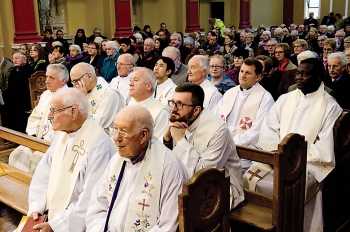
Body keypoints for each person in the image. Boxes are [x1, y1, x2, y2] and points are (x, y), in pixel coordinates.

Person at [245, 58, 342, 231]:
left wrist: (293, 160)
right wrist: (278, 155)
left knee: (287, 191)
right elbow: (270, 129)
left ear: (319, 76)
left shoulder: (330, 106)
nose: (298, 77)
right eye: (298, 73)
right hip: (276, 158)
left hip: (308, 165)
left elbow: (323, 146)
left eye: (305, 73)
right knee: (248, 178)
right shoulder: (285, 99)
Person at [86, 105, 187, 231]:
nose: (116, 138)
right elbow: (98, 204)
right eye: (115, 129)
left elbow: (168, 226)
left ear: (143, 135)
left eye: (123, 131)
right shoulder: (116, 160)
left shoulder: (169, 167)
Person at [28, 88, 117, 232]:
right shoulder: (62, 136)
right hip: (50, 216)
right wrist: (36, 206)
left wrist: (56, 226)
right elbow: (43, 173)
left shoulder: (99, 145)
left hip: (75, 225)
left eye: (55, 110)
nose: (50, 116)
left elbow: (91, 198)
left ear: (73, 112)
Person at [163, 82, 244, 209]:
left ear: (196, 110)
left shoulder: (218, 131)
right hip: (185, 182)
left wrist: (180, 140)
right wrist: (167, 139)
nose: (173, 109)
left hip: (219, 187)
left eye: (180, 104)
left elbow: (204, 175)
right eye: (173, 102)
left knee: (173, 206)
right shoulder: (180, 119)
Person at [215, 58, 274, 171]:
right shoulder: (230, 93)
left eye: (248, 73)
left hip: (244, 153)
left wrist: (231, 143)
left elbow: (257, 131)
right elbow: (216, 118)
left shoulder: (265, 98)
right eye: (242, 71)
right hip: (221, 146)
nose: (242, 76)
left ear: (258, 77)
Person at [8, 64, 69, 174]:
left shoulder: (68, 98)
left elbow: (65, 128)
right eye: (46, 77)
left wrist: (42, 141)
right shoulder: (46, 94)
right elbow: (35, 116)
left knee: (35, 162)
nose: (46, 81)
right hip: (37, 139)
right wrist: (33, 135)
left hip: (52, 144)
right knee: (15, 155)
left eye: (51, 78)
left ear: (63, 81)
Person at [70, 62, 124, 134]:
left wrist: (82, 100)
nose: (75, 86)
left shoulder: (109, 94)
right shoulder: (84, 92)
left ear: (89, 76)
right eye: (72, 83)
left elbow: (96, 124)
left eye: (76, 81)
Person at [127, 67, 169, 139]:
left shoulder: (161, 112)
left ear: (149, 86)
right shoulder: (131, 101)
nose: (130, 84)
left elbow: (158, 143)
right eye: (130, 80)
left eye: (136, 80)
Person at [2, 51, 35, 133]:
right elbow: (10, 88)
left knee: (10, 109)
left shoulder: (29, 71)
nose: (14, 60)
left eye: (17, 58)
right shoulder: (14, 71)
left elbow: (25, 90)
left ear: (24, 60)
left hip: (24, 101)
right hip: (14, 100)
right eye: (13, 59)